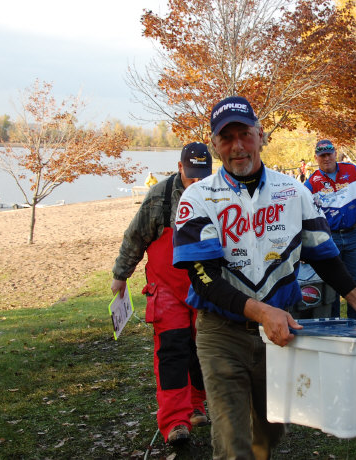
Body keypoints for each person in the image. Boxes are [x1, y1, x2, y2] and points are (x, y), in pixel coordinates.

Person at [171, 96, 356, 459]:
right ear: (214, 145)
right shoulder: (198, 197)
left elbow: (324, 256)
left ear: (261, 136)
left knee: (269, 433)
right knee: (232, 443)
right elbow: (203, 279)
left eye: (245, 134)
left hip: (278, 336)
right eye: (227, 138)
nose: (238, 146)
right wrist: (261, 312)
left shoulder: (293, 191)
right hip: (222, 334)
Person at [111, 142, 212, 445]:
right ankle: (175, 421)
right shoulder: (159, 197)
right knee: (172, 350)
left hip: (206, 286)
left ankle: (196, 404)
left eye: (203, 175)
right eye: (192, 174)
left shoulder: (218, 193)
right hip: (166, 289)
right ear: (180, 167)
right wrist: (120, 275)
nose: (197, 181)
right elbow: (135, 237)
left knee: (203, 347)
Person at [305, 139, 356, 319]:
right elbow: (304, 214)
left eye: (329, 154)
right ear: (316, 158)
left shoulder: (353, 171)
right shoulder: (311, 183)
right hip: (328, 238)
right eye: (322, 155)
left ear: (335, 153)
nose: (326, 158)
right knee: (331, 283)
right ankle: (334, 325)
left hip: (354, 234)